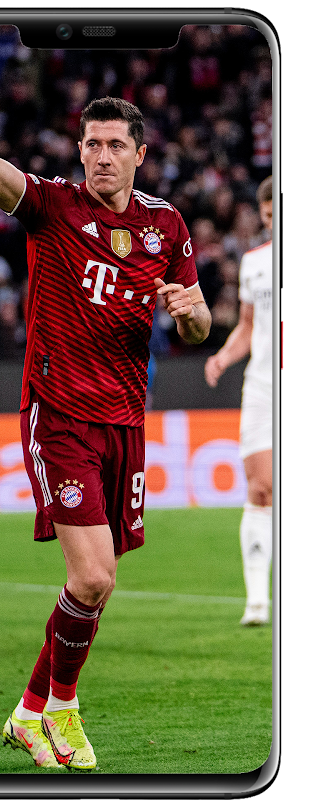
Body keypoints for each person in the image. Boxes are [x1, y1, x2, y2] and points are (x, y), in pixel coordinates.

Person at [0, 43, 212, 770]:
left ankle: (31, 713)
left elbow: (197, 324)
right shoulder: (53, 208)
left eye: (115, 145)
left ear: (140, 155)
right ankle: (61, 709)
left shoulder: (167, 227)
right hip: (58, 411)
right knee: (92, 576)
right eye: (91, 143)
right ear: (80, 150)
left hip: (126, 421)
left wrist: (190, 313)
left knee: (97, 582)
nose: (100, 156)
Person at [204, 175, 273, 626]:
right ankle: (258, 601)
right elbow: (248, 326)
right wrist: (224, 356)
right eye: (266, 216)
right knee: (261, 487)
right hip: (263, 387)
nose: (271, 222)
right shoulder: (254, 263)